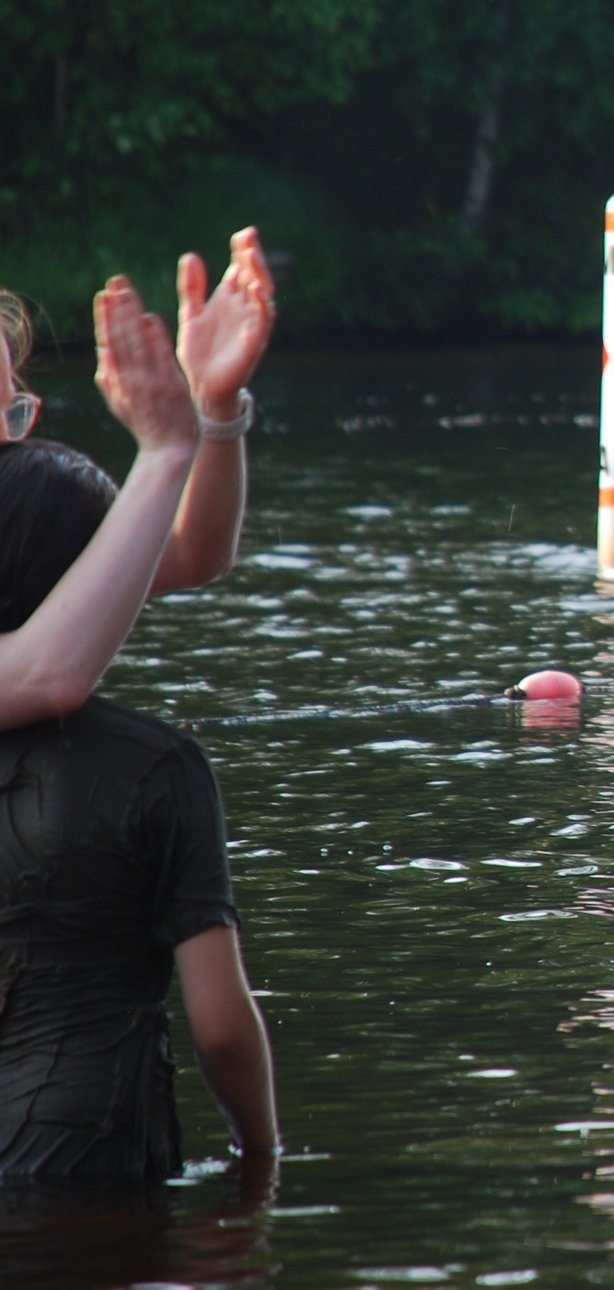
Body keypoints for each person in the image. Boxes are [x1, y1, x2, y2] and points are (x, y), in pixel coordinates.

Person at [0, 437, 280, 1181]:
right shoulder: (158, 768)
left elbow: (192, 551)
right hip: (94, 1158)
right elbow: (220, 1030)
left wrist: (214, 422)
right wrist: (262, 1164)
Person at [0, 230, 277, 731]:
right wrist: (164, 451)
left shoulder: (19, 535)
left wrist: (213, 406)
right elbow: (44, 677)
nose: (8, 441)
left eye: (9, 411)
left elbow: (192, 554)